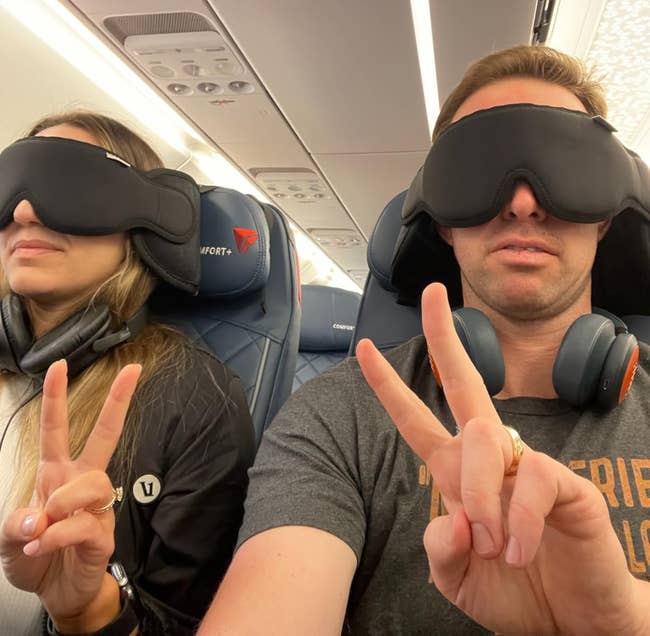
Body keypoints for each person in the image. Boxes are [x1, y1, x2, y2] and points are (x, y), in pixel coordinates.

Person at [199, 45, 650, 635]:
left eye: (567, 167)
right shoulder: (344, 414)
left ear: (606, 215)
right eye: (479, 169)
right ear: (442, 216)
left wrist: (623, 621)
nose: (523, 203)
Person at [0, 111, 256, 635]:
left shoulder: (195, 398)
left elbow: (183, 620)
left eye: (70, 185)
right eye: (9, 187)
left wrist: (87, 611)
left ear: (145, 225)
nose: (23, 211)